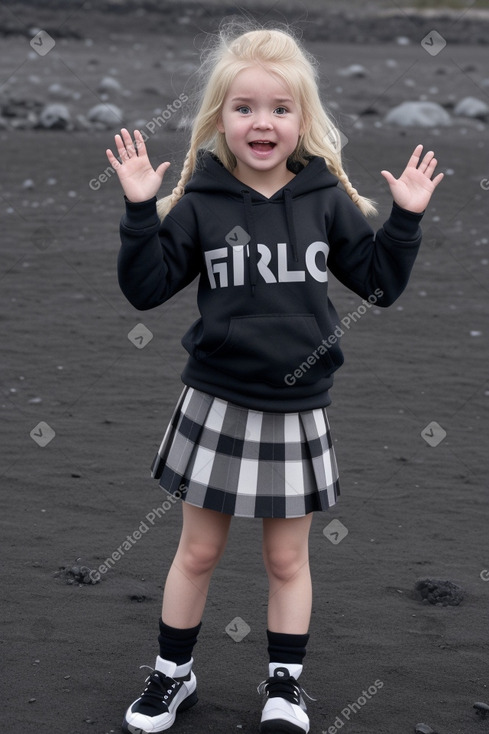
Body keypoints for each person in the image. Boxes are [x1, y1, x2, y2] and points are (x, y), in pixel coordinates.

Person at [107, 22, 443, 734]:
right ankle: (173, 676)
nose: (262, 121)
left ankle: (284, 688)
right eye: (244, 107)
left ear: (302, 120)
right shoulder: (201, 200)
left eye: (280, 108)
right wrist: (140, 210)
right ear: (220, 119)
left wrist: (404, 220)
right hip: (217, 401)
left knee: (287, 561)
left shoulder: (324, 198)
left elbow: (378, 286)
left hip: (296, 409)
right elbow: (145, 289)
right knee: (196, 550)